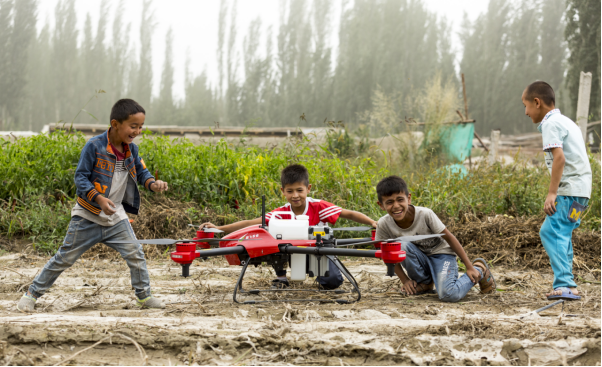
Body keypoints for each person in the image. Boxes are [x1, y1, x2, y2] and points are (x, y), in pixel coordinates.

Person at [17, 99, 169, 313]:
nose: (137, 131)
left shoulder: (131, 151)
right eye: (133, 126)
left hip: (116, 216)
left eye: (140, 126)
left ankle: (144, 297)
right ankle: (31, 294)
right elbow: (80, 179)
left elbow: (142, 172)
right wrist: (98, 198)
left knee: (135, 253)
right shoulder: (94, 146)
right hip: (88, 215)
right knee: (64, 258)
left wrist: (153, 183)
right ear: (115, 124)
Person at [201, 164, 378, 289]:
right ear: (282, 191)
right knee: (268, 237)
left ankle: (319, 274)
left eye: (299, 190)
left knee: (332, 282)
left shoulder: (318, 206)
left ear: (308, 189)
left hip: (319, 250)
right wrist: (219, 228)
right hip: (290, 252)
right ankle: (281, 277)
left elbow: (348, 213)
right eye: (290, 191)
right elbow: (250, 223)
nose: (295, 195)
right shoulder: (280, 213)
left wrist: (371, 222)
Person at [522, 81, 592, 301]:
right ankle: (568, 283)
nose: (525, 112)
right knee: (563, 233)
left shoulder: (551, 123)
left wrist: (552, 193)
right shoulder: (567, 122)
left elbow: (559, 159)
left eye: (526, 106)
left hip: (568, 191)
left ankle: (564, 284)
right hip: (581, 194)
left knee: (551, 232)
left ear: (537, 102)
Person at [375, 176, 496, 302]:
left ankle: (479, 269)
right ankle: (425, 283)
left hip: (442, 255)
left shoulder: (425, 214)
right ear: (381, 205)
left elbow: (449, 238)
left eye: (400, 200)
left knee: (449, 294)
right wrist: (405, 280)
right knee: (401, 245)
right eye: (389, 202)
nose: (396, 206)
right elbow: (386, 255)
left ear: (408, 198)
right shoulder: (384, 224)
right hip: (420, 259)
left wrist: (469, 266)